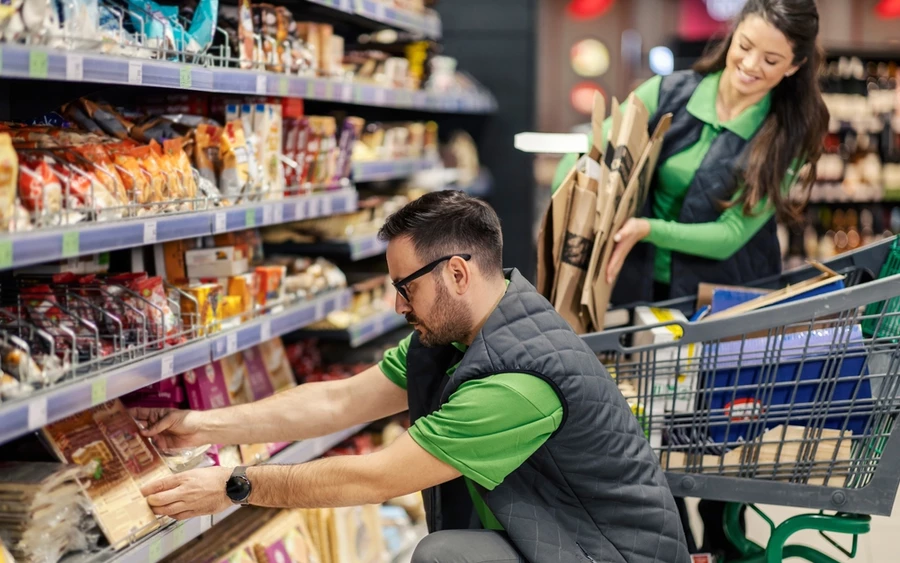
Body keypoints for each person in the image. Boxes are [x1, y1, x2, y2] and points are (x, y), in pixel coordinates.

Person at [133, 190, 691, 563]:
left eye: (406, 287)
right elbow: (338, 403)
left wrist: (236, 485)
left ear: (456, 273)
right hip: (557, 531)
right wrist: (203, 424)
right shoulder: (457, 337)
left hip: (611, 554)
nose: (399, 304)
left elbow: (376, 478)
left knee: (441, 555)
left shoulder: (516, 383)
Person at [550, 0, 828, 558]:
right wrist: (575, 198)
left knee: (717, 442)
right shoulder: (669, 92)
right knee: (647, 436)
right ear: (732, 36)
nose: (750, 65)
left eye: (771, 60)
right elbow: (593, 150)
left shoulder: (792, 127)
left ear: (795, 66)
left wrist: (646, 227)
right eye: (744, 47)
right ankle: (671, 546)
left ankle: (718, 541)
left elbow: (730, 232)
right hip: (638, 290)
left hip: (723, 300)